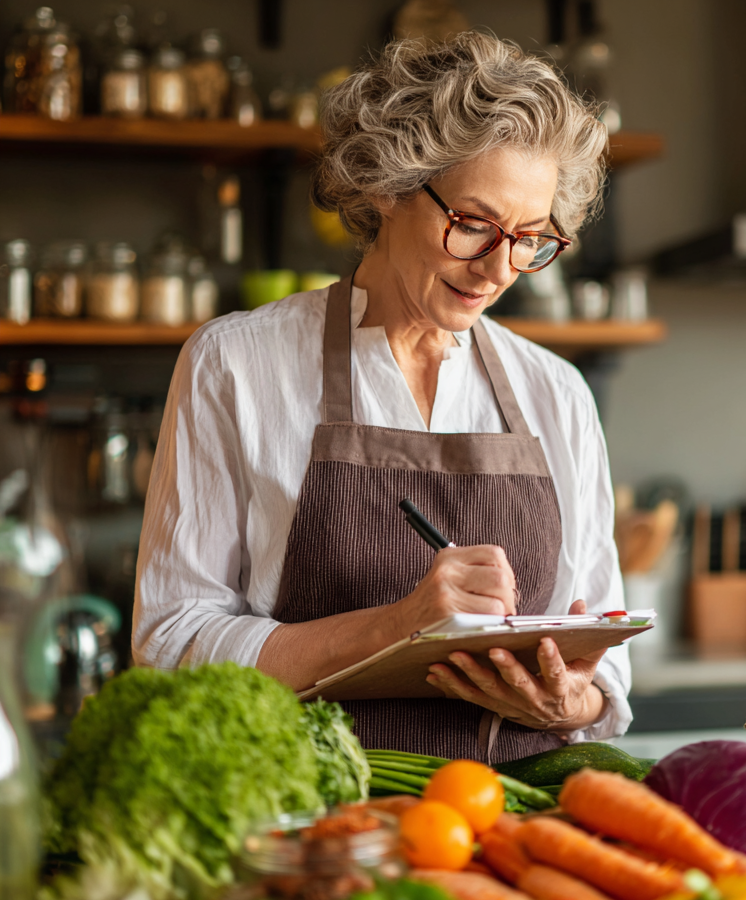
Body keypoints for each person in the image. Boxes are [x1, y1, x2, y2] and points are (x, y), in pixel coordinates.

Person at [133, 31, 632, 762]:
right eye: (473, 225)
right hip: (309, 822)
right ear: (388, 184)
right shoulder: (236, 364)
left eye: (530, 237)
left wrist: (569, 700)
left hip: (512, 830)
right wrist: (396, 627)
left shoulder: (557, 394)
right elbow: (171, 644)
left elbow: (607, 665)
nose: (499, 268)